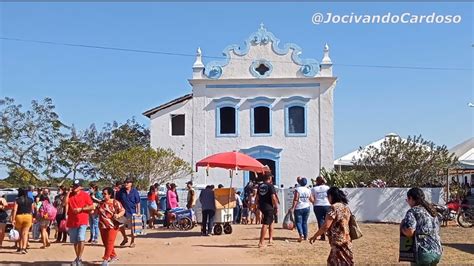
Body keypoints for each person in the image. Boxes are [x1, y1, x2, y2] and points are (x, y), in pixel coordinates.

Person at [309, 187, 354, 265]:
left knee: (335, 262)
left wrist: (315, 236)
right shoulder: (345, 207)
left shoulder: (333, 208)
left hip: (337, 241)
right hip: (346, 239)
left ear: (331, 196)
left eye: (328, 196)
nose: (327, 198)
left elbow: (326, 226)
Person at [401, 188, 442, 265]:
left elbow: (410, 232)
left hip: (423, 253)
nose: (407, 202)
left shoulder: (413, 211)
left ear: (411, 198)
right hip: (437, 251)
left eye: (407, 199)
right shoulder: (431, 210)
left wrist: (402, 228)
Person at [66, 179, 94, 266]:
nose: (74, 187)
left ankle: (79, 258)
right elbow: (64, 203)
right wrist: (67, 193)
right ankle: (78, 258)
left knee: (81, 238)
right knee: (75, 241)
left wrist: (81, 209)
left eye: (77, 186)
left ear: (81, 187)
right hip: (72, 221)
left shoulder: (85, 195)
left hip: (82, 220)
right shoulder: (69, 195)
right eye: (74, 186)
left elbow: (92, 206)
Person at [97, 187, 125, 266]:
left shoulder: (115, 202)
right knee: (106, 243)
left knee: (110, 242)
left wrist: (118, 215)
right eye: (103, 193)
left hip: (113, 225)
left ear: (110, 194)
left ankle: (105, 259)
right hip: (102, 225)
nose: (103, 195)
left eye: (105, 194)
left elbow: (122, 210)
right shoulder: (101, 203)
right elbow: (95, 211)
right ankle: (113, 256)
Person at [116, 178, 140, 248]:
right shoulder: (121, 191)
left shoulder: (134, 191)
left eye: (128, 182)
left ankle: (132, 241)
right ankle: (125, 238)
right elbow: (117, 201)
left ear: (131, 184)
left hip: (132, 212)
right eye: (125, 182)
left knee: (133, 228)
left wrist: (138, 212)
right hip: (123, 212)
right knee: (120, 226)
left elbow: (138, 202)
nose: (126, 184)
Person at [256, 174, 278, 248]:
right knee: (265, 223)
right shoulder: (270, 186)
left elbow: (257, 197)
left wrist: (257, 204)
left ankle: (270, 239)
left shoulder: (260, 186)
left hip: (262, 205)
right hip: (268, 206)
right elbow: (273, 197)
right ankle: (261, 242)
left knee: (271, 221)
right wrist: (276, 206)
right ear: (269, 178)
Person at [11, 188, 34, 254]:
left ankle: (20, 247)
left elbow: (15, 210)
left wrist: (13, 219)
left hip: (19, 216)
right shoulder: (31, 200)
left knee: (20, 233)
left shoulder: (17, 200)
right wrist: (33, 218)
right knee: (25, 233)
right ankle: (24, 248)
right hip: (28, 216)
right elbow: (32, 210)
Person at [290, 177, 312, 242]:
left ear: (299, 182)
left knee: (298, 222)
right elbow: (311, 199)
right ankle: (306, 236)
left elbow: (296, 199)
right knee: (304, 222)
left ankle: (301, 234)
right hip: (307, 207)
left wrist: (293, 208)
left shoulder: (298, 189)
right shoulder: (308, 190)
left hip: (299, 207)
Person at [311, 176, 331, 241]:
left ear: (317, 181)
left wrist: (314, 203)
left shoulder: (314, 189)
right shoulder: (327, 188)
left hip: (318, 205)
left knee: (320, 221)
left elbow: (312, 197)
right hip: (327, 205)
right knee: (328, 220)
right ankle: (329, 235)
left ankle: (322, 236)